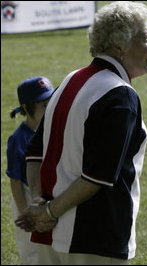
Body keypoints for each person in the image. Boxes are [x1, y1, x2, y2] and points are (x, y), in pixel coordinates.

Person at [15, 1, 147, 265]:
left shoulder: (72, 78)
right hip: (95, 238)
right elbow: (98, 176)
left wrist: (40, 203)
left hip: (52, 236)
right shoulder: (119, 93)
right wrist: (47, 212)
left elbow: (35, 152)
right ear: (119, 45)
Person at [6, 76, 55, 265]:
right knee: (32, 250)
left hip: (45, 197)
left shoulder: (52, 129)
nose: (49, 108)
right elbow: (15, 181)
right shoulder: (19, 139)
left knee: (50, 248)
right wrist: (24, 212)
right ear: (27, 108)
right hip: (26, 198)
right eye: (44, 105)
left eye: (52, 102)